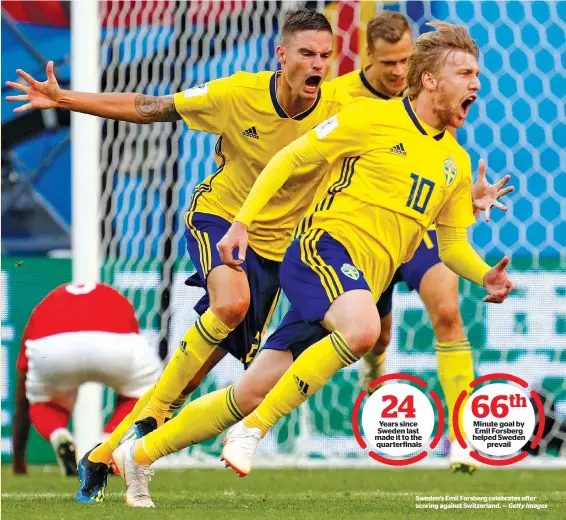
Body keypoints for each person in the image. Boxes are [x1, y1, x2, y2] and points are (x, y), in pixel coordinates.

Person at [110, 20, 514, 503]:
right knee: (363, 331)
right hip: (320, 251)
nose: (476, 84)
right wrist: (242, 222)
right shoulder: (370, 118)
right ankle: (253, 432)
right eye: (466, 73)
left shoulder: (456, 161)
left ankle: (139, 455)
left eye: (477, 74)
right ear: (429, 80)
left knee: (251, 391)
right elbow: (289, 160)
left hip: (357, 281)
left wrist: (483, 273)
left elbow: (449, 246)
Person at [7, 9, 352, 504]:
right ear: (282, 55)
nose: (319, 64)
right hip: (219, 219)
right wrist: (65, 99)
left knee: (197, 375)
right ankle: (149, 418)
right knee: (230, 306)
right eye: (306, 54)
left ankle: (108, 454)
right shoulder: (236, 95)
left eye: (326, 55)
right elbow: (147, 105)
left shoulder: (341, 108)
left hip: (279, 250)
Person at [330, 10, 513, 473]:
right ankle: (375, 382)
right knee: (377, 336)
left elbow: (440, 164)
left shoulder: (435, 98)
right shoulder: (341, 99)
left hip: (423, 231)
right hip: (365, 232)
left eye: (405, 60)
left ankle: (465, 439)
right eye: (388, 62)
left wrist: (464, 197)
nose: (398, 72)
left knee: (448, 315)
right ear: (368, 57)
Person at [11, 282, 160, 491]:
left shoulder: (45, 306)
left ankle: (57, 434)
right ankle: (106, 445)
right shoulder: (112, 296)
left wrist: (18, 461)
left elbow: (21, 397)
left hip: (52, 348)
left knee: (44, 402)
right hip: (116, 344)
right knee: (144, 393)